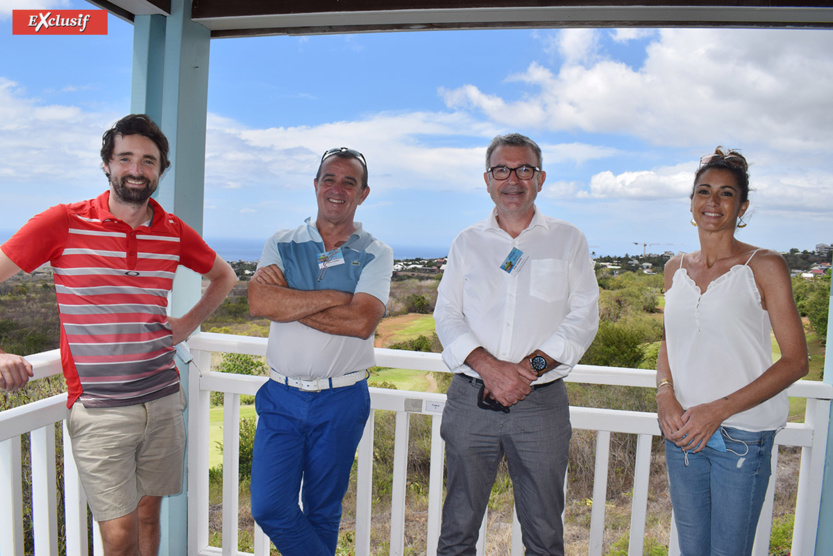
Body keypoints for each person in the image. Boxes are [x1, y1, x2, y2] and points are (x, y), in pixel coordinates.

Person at [0, 114, 237, 556]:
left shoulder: (171, 231)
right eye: (125, 157)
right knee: (119, 536)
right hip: (100, 410)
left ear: (160, 171)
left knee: (149, 517)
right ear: (107, 165)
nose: (136, 169)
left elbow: (224, 276)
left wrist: (186, 323)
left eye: (148, 161)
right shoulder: (63, 222)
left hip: (163, 399)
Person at [433, 133, 600, 555]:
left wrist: (529, 369)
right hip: (471, 401)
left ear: (540, 179)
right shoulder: (466, 242)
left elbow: (583, 316)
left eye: (523, 169)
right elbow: (446, 315)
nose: (513, 179)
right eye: (501, 170)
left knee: (545, 534)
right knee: (457, 530)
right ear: (487, 180)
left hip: (540, 405)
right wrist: (490, 368)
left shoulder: (568, 240)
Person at [656, 147, 808, 555]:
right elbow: (670, 341)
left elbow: (796, 361)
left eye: (726, 194)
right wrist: (665, 394)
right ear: (691, 201)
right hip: (684, 433)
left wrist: (718, 410)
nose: (713, 202)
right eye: (704, 191)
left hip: (742, 434)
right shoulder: (674, 268)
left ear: (742, 206)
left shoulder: (764, 265)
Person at [248, 147, 393, 556]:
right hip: (281, 397)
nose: (338, 188)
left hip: (342, 399)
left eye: (350, 182)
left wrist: (290, 298)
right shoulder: (282, 242)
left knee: (323, 510)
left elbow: (361, 322)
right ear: (315, 186)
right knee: (270, 507)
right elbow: (260, 304)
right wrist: (336, 297)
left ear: (363, 193)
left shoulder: (376, 251)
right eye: (330, 178)